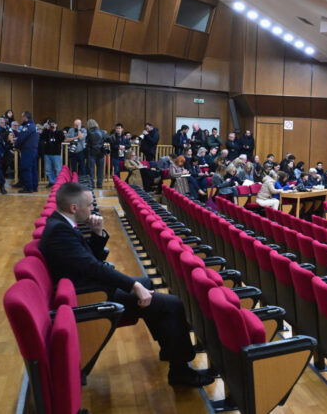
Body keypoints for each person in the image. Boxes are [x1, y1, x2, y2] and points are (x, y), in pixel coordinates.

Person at [39, 182, 213, 386]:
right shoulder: (60, 231)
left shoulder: (60, 224)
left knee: (147, 283)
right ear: (74, 208)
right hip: (91, 297)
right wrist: (133, 286)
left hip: (89, 287)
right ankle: (180, 372)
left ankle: (169, 349)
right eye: (89, 205)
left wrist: (97, 233)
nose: (92, 209)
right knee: (172, 304)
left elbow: (88, 261)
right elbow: (94, 268)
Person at [16, 111, 39, 193]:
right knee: (33, 169)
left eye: (22, 117)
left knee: (26, 168)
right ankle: (34, 186)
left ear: (25, 118)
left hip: (28, 150)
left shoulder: (28, 126)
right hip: (33, 150)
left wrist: (16, 146)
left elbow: (21, 137)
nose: (21, 118)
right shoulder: (34, 126)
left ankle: (28, 187)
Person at [40, 119, 65, 187]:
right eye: (51, 124)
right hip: (47, 153)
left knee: (57, 169)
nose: (52, 126)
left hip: (56, 154)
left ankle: (58, 182)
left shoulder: (59, 132)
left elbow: (62, 138)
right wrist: (46, 129)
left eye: (53, 124)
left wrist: (54, 130)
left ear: (56, 125)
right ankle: (51, 182)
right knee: (48, 169)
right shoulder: (47, 132)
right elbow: (41, 137)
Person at [85, 119, 107, 189]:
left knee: (91, 170)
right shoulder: (102, 132)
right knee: (100, 170)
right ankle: (99, 184)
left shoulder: (88, 132)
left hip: (91, 153)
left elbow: (86, 142)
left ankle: (91, 184)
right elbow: (107, 139)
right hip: (101, 153)